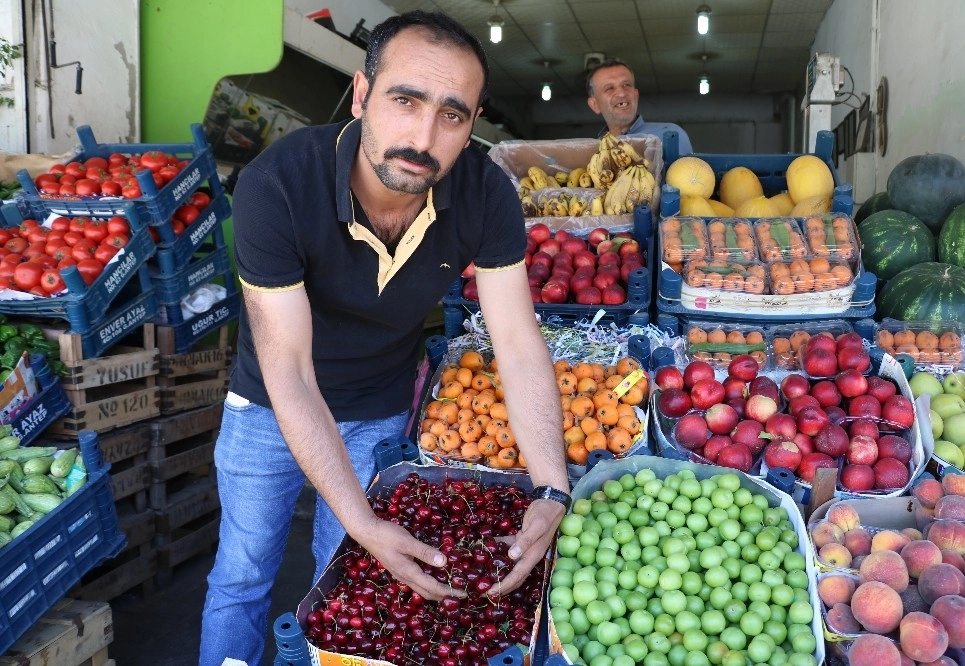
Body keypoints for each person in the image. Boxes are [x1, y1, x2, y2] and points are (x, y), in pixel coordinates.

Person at [198, 11, 570, 665]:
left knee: (344, 577)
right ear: (364, 93)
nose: (423, 137)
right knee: (243, 573)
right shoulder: (276, 186)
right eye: (405, 100)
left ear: (473, 121)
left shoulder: (486, 192)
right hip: (267, 408)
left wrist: (551, 487)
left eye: (452, 115)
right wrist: (364, 520)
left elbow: (515, 341)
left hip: (378, 409)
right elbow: (289, 369)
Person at [586, 58, 694, 155]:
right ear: (595, 105)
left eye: (626, 85)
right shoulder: (592, 151)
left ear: (636, 95)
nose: (621, 93)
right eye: (609, 88)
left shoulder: (671, 134)